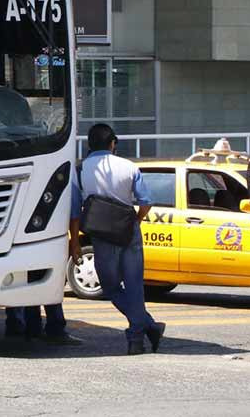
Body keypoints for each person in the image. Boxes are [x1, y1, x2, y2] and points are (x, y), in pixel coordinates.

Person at [69, 123, 164, 355]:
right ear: (113, 144)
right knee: (134, 286)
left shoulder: (80, 170)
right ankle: (141, 332)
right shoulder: (129, 166)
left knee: (111, 287)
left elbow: (74, 212)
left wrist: (74, 244)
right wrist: (137, 221)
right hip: (129, 229)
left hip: (102, 235)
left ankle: (142, 332)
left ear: (90, 145)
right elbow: (146, 202)